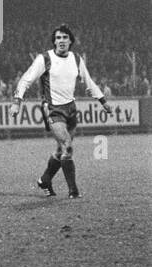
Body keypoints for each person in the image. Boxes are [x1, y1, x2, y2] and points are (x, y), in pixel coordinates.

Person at [12, 24, 113, 198]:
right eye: (58, 38)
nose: (61, 41)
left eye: (65, 37)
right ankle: (73, 191)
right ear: (54, 41)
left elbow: (89, 82)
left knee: (61, 151)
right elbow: (26, 80)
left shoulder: (76, 59)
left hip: (71, 109)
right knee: (67, 145)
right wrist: (17, 102)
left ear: (71, 41)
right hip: (52, 109)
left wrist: (103, 101)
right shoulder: (45, 58)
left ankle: (44, 179)